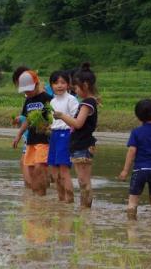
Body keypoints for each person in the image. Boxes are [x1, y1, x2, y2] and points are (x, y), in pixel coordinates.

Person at [53, 63, 100, 208]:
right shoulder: (90, 102)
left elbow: (78, 123)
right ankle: (85, 208)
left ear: (85, 85)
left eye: (77, 88)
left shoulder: (87, 103)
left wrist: (61, 116)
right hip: (82, 144)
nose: (76, 91)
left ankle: (85, 209)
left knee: (83, 181)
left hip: (83, 145)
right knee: (84, 181)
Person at [13, 70, 51, 195]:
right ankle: (36, 199)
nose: (27, 93)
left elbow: (53, 118)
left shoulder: (47, 98)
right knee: (30, 169)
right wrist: (18, 135)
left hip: (44, 140)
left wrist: (48, 126)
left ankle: (42, 193)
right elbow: (27, 120)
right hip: (31, 140)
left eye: (28, 90)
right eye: (25, 91)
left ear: (36, 84)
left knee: (39, 167)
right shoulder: (28, 101)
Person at [48, 70, 79, 203]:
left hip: (66, 135)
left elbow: (75, 118)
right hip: (54, 135)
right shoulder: (52, 102)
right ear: (51, 85)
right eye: (56, 83)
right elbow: (53, 121)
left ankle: (70, 201)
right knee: (54, 172)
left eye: (62, 82)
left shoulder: (71, 99)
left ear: (68, 84)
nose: (59, 85)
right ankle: (61, 200)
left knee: (64, 170)